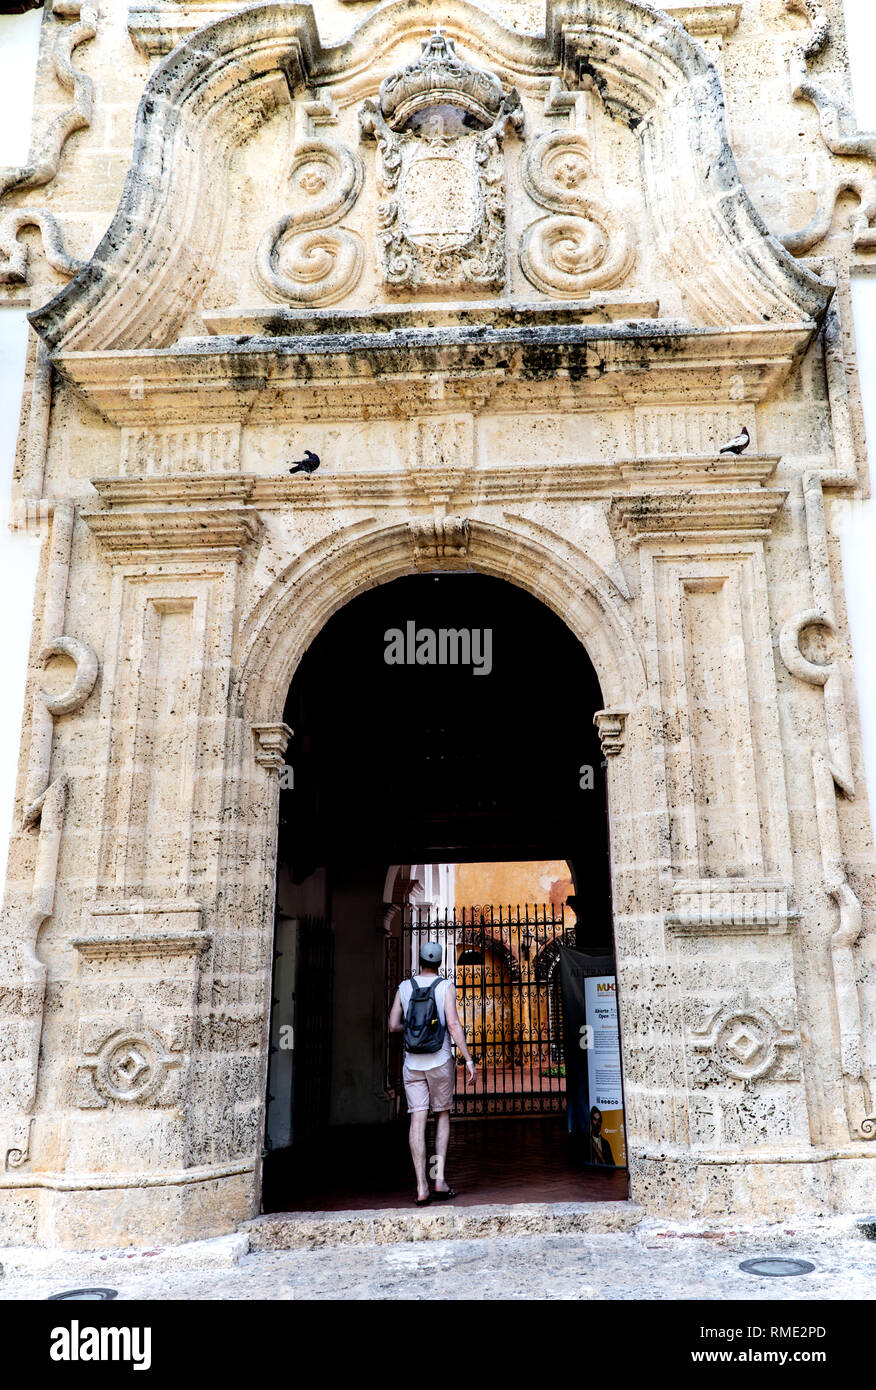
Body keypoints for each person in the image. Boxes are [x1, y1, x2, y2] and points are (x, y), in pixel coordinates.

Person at [388, 941, 476, 1205]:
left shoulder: (404, 987)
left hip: (412, 1064)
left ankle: (421, 1186)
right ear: (440, 961)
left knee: (417, 1118)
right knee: (442, 1114)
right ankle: (439, 1179)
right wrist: (468, 1059)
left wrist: (413, 1030)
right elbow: (452, 1024)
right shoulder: (445, 986)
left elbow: (392, 1025)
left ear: (419, 960)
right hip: (439, 1060)